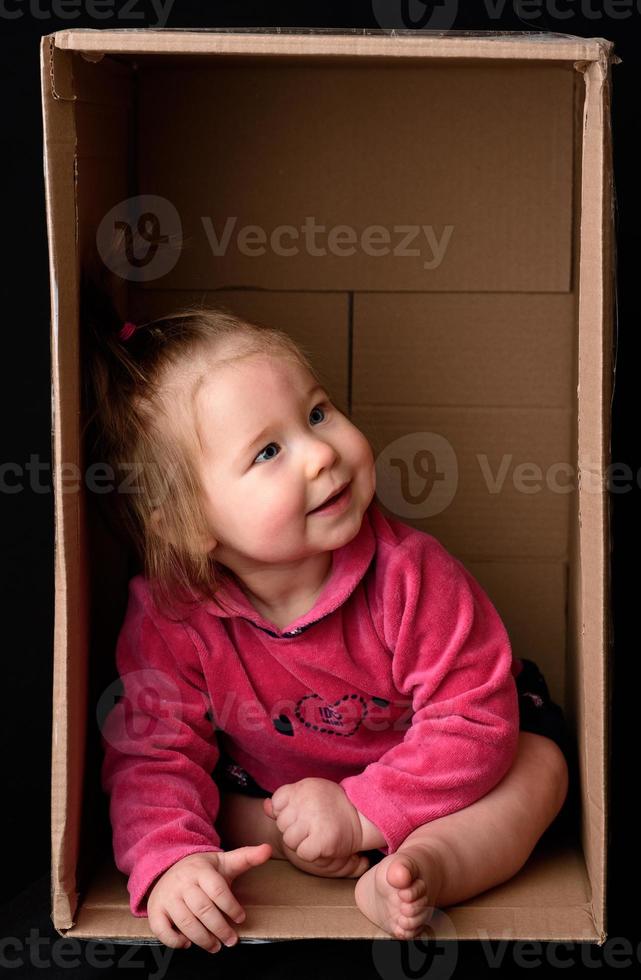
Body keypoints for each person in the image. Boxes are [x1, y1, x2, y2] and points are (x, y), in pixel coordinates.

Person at [84, 282, 571, 954]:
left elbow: (472, 719)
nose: (321, 453)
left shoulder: (410, 576)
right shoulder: (172, 614)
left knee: (539, 768)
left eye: (317, 413)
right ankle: (291, 839)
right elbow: (152, 752)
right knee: (203, 800)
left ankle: (427, 866)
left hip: (442, 764)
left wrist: (363, 811)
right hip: (276, 787)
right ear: (187, 529)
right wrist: (171, 862)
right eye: (267, 452)